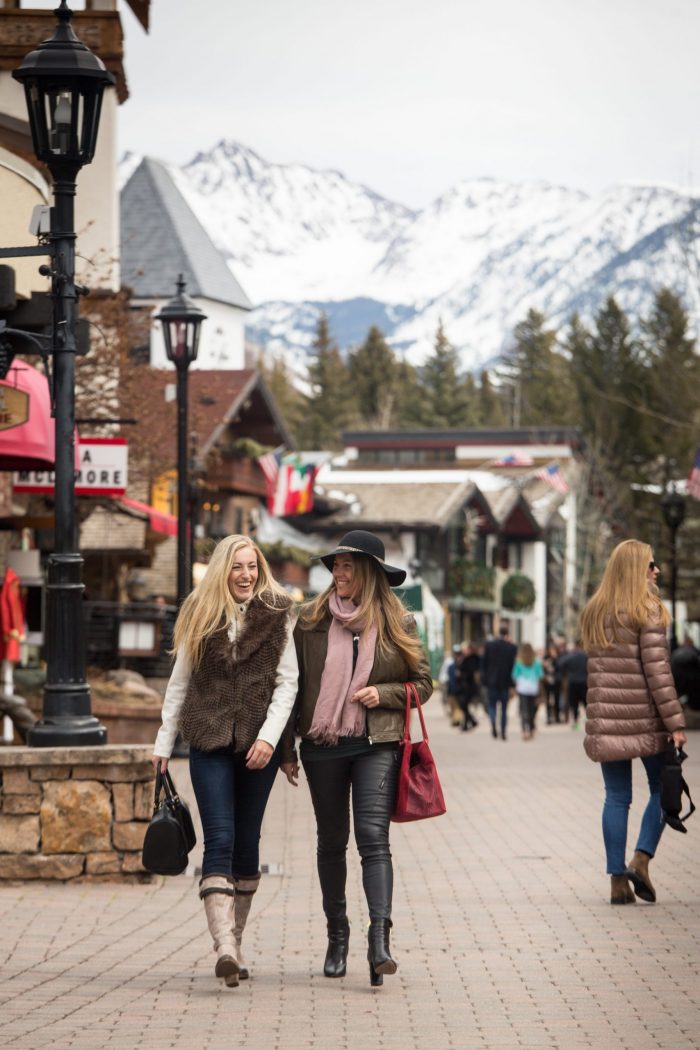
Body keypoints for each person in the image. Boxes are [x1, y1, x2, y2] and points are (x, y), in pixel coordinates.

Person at [280, 530, 433, 987]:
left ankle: (379, 940)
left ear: (369, 572)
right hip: (323, 746)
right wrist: (287, 748)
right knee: (331, 842)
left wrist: (382, 694)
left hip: (376, 743)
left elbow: (422, 684)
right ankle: (337, 936)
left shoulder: (398, 623)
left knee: (373, 838)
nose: (339, 574)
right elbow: (294, 686)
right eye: (337, 566)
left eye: (349, 566)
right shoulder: (309, 620)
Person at [151, 535, 298, 986]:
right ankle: (225, 948)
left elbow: (287, 685)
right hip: (208, 739)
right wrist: (162, 745)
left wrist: (271, 741)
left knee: (247, 842)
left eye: (252, 566)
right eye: (237, 566)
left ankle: (235, 938)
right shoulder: (199, 612)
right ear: (222, 569)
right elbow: (179, 683)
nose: (246, 575)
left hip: (259, 746)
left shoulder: (278, 614)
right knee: (220, 836)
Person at [580, 540, 686, 905]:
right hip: (644, 721)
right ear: (635, 569)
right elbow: (659, 673)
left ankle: (616, 881)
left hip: (607, 721)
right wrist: (675, 723)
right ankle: (640, 859)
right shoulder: (648, 610)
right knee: (661, 788)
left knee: (617, 797)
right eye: (650, 565)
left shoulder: (596, 611)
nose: (656, 571)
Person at [482, 623, 517, 740]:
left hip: (491, 682)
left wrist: (484, 680)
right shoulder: (511, 648)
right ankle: (503, 732)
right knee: (504, 709)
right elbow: (512, 666)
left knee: (492, 705)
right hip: (505, 682)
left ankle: (492, 720)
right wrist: (513, 684)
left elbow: (484, 664)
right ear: (507, 633)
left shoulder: (489, 645)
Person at [512, 642, 543, 740]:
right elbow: (540, 675)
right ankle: (531, 728)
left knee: (523, 709)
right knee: (531, 709)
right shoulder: (536, 662)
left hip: (522, 688)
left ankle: (524, 731)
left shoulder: (519, 662)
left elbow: (514, 675)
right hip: (533, 688)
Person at [559, 640, 588, 729]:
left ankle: (575, 722)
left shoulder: (570, 656)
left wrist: (566, 672)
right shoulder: (586, 656)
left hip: (572, 682)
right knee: (585, 702)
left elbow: (560, 664)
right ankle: (588, 718)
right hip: (584, 682)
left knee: (574, 704)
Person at [456, 641, 480, 731]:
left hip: (469, 685)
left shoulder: (472, 658)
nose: (463, 651)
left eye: (465, 649)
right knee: (463, 705)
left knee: (464, 704)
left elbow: (470, 671)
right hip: (464, 685)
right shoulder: (464, 658)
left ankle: (467, 724)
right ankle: (470, 722)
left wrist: (461, 674)